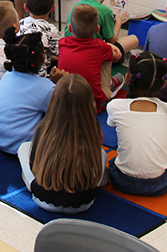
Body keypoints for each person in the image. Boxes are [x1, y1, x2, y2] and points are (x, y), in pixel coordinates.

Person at [18, 74, 108, 214]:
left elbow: (35, 155)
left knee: (24, 148)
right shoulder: (92, 128)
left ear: (54, 102)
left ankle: (32, 183)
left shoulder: (45, 127)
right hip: (84, 202)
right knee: (102, 153)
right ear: (90, 103)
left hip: (43, 198)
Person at [106, 53, 167, 196]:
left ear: (128, 78)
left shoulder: (115, 106)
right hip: (160, 183)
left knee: (111, 161)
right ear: (164, 83)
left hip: (123, 181)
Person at [64, 0, 138, 99]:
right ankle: (110, 84)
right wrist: (118, 21)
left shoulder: (75, 7)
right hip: (97, 54)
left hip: (72, 52)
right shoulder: (105, 11)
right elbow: (112, 39)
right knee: (133, 40)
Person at [0, 29, 58, 154]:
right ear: (42, 58)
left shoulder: (6, 76)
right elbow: (61, 114)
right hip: (23, 149)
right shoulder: (46, 88)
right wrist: (59, 84)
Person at [59, 3, 135, 113]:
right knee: (109, 61)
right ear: (97, 29)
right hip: (92, 105)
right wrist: (110, 47)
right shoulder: (100, 46)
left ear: (70, 28)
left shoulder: (63, 43)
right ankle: (108, 88)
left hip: (65, 101)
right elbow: (115, 57)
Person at [18, 0, 61, 77]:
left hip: (18, 70)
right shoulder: (52, 30)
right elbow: (59, 53)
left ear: (25, 7)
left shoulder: (20, 24)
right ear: (53, 8)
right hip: (40, 76)